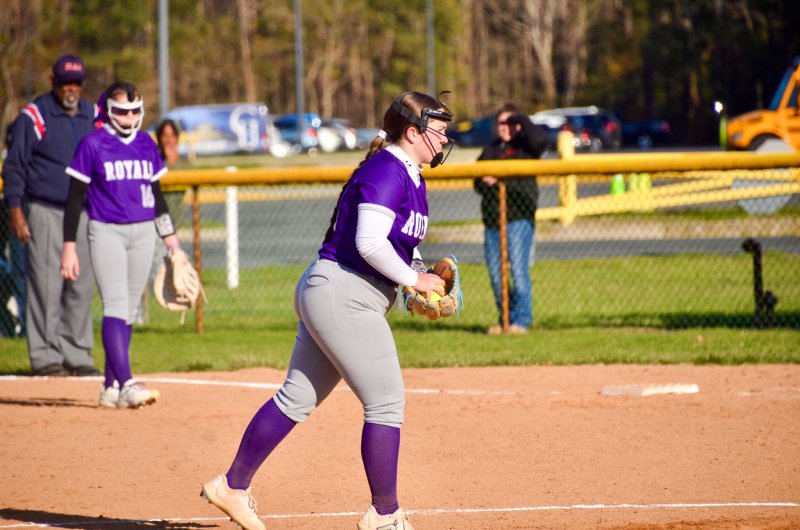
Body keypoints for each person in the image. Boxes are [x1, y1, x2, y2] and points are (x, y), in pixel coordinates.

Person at [199, 91, 453, 530]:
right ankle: (385, 516)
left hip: (335, 290)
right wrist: (415, 281)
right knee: (386, 402)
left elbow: (394, 246)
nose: (444, 137)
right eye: (438, 129)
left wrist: (419, 274)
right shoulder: (388, 170)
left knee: (295, 399)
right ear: (413, 132)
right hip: (343, 293)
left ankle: (232, 485)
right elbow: (368, 244)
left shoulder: (408, 173)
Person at [60, 81, 182, 409]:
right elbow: (74, 199)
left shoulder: (146, 143)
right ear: (108, 111)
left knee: (128, 307)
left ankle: (111, 386)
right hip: (106, 231)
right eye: (122, 111)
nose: (129, 117)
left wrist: (172, 243)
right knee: (115, 304)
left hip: (143, 231)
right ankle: (127, 382)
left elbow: (157, 199)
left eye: (134, 110)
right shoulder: (93, 144)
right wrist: (68, 246)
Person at [0, 54, 100, 376]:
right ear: (52, 82)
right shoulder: (35, 114)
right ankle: (45, 357)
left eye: (76, 83)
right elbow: (14, 166)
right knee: (45, 285)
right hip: (45, 208)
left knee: (81, 285)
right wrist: (16, 210)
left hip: (84, 211)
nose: (71, 89)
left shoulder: (93, 114)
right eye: (65, 83)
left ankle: (78, 353)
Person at [474, 103, 548, 335]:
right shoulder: (491, 150)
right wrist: (485, 181)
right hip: (493, 221)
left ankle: (521, 321)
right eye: (501, 123)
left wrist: (521, 118)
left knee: (517, 270)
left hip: (519, 218)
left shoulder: (526, 147)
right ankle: (505, 319)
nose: (505, 127)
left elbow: (541, 141)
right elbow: (476, 179)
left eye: (510, 122)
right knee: (497, 276)